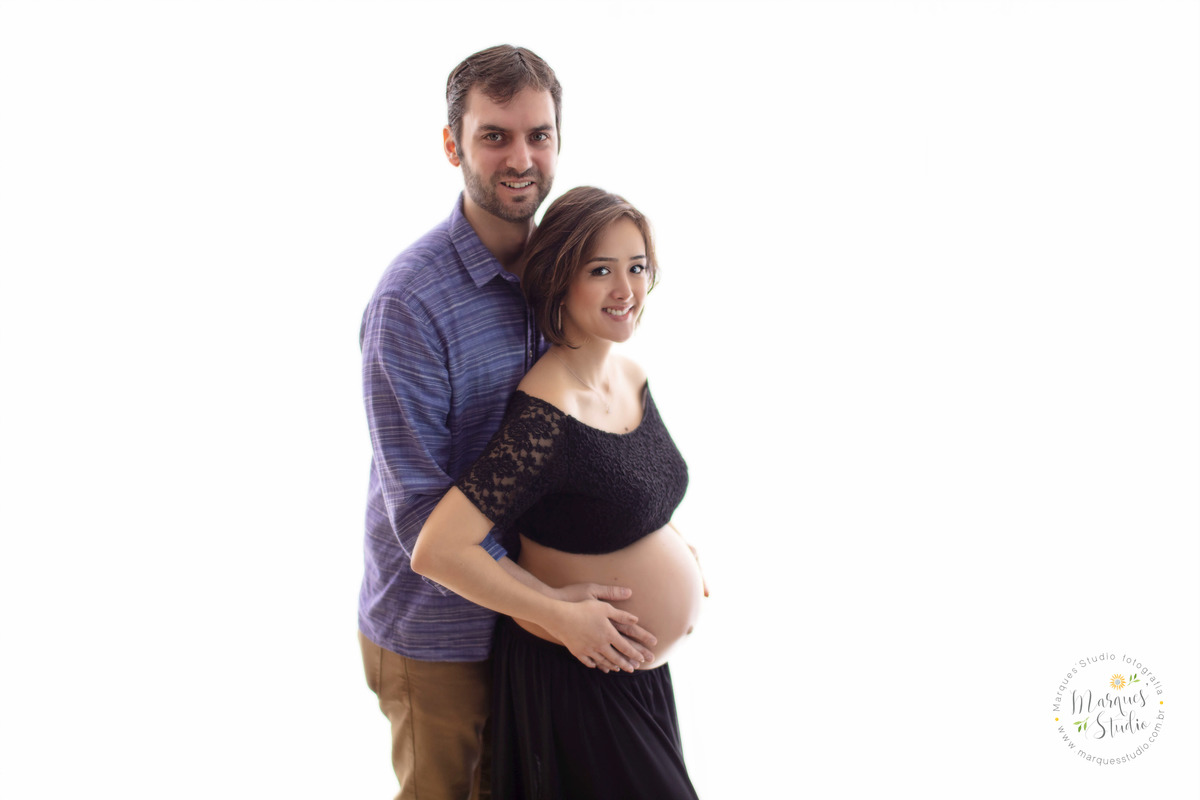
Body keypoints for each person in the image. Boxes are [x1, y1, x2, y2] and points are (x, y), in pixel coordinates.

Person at [358, 47, 655, 800]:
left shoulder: (564, 268)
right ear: (453, 144)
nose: (521, 158)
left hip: (540, 635)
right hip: (444, 637)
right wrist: (553, 609)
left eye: (539, 135)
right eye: (495, 136)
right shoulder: (411, 303)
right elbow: (421, 524)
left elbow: (588, 418)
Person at [412, 186, 705, 799]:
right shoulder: (545, 416)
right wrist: (563, 617)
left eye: (637, 267)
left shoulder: (630, 374)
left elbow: (626, 486)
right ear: (558, 283)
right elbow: (438, 548)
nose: (626, 290)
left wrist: (673, 543)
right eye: (601, 271)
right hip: (578, 673)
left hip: (636, 672)